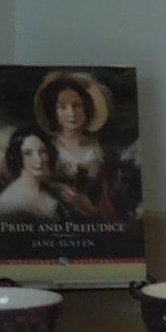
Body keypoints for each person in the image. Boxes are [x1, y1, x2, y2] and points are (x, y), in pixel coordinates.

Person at [33, 72, 125, 221]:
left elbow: (116, 204)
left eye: (77, 105)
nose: (71, 113)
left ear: (87, 107)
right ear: (54, 111)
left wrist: (91, 208)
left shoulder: (104, 153)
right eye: (62, 107)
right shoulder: (41, 148)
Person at [0, 129, 62, 220]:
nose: (38, 159)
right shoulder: (6, 202)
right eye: (28, 153)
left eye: (42, 151)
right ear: (17, 157)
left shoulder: (53, 193)